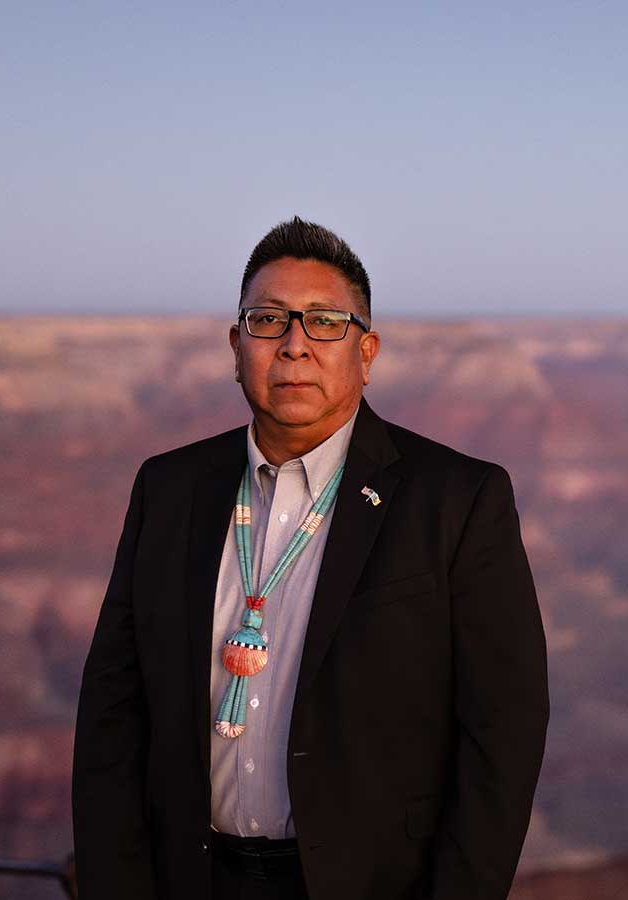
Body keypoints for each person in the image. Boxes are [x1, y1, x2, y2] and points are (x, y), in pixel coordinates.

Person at [71, 216, 549, 900]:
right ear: (236, 347)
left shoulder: (456, 500)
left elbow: (504, 731)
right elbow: (112, 715)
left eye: (324, 322)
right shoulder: (168, 490)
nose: (294, 345)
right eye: (268, 321)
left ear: (367, 350)